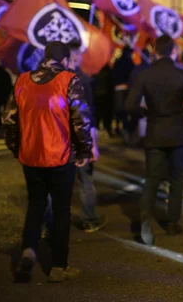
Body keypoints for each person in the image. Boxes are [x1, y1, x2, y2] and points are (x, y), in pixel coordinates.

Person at [2, 41, 93, 283]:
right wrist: (84, 150)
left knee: (35, 205)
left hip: (30, 156)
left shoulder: (21, 80)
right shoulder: (68, 80)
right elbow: (80, 120)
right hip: (60, 156)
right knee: (62, 211)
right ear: (64, 60)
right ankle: (58, 267)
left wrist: (15, 147)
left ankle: (29, 250)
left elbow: (9, 119)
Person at [125, 35, 183, 245]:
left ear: (155, 52)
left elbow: (129, 105)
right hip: (177, 133)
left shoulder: (145, 75)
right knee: (176, 179)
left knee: (152, 179)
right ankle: (173, 222)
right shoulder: (182, 75)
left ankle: (145, 219)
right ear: (174, 52)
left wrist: (145, 110)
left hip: (155, 132)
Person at [67, 44, 107, 233]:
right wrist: (93, 145)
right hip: (80, 139)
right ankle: (89, 219)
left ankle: (49, 223)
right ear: (75, 57)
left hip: (60, 140)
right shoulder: (82, 80)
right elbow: (88, 115)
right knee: (85, 181)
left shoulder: (56, 80)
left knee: (57, 183)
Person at [112, 46, 135, 140]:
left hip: (117, 88)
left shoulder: (117, 62)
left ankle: (117, 126)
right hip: (127, 88)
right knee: (125, 109)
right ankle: (125, 128)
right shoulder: (130, 63)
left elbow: (113, 74)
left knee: (118, 109)